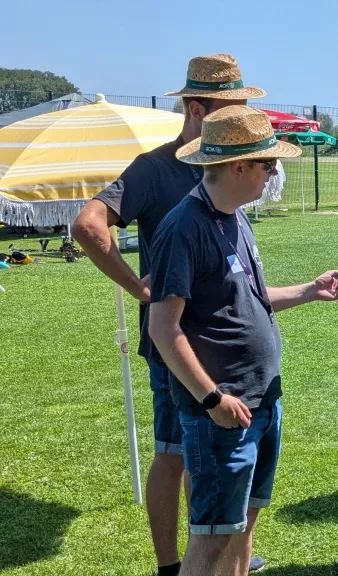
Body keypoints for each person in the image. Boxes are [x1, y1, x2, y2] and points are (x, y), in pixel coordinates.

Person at [70, 53, 269, 575]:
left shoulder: (228, 166)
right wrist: (139, 289)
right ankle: (171, 564)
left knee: (205, 459)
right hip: (176, 348)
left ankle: (216, 548)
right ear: (198, 109)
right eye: (231, 108)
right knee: (175, 451)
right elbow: (88, 224)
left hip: (224, 354)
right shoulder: (156, 169)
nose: (241, 120)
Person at [147, 105, 338, 575]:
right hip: (223, 412)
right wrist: (211, 397)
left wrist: (309, 291)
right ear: (238, 167)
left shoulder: (235, 217)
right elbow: (163, 327)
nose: (274, 172)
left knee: (242, 527)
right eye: (268, 163)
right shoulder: (183, 227)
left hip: (262, 400)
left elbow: (249, 299)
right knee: (213, 538)